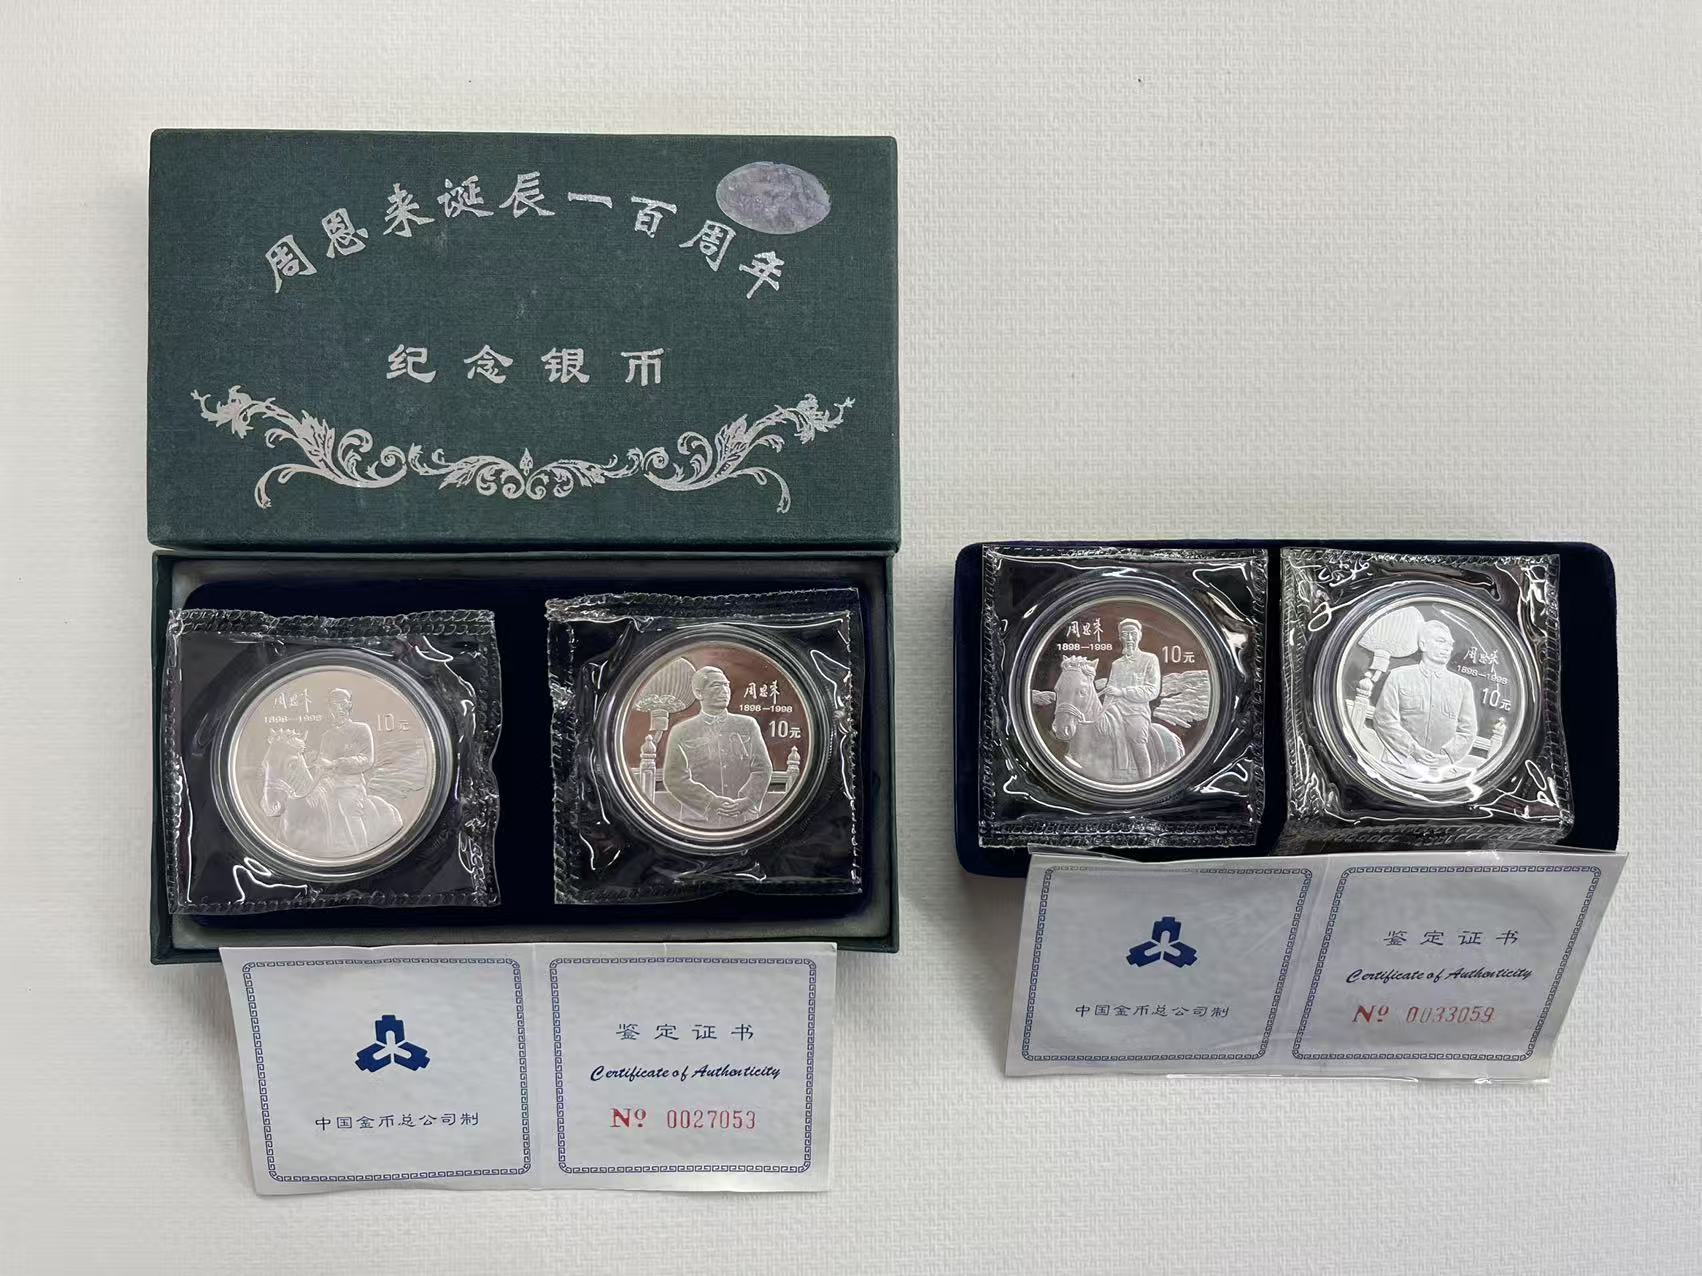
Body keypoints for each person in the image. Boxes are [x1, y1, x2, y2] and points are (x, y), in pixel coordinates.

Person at [662, 665, 773, 828]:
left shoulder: (747, 725)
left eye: (726, 685)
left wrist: (747, 801)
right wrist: (711, 801)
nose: (724, 691)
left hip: (743, 820)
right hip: (697, 822)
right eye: (716, 685)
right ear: (698, 693)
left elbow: (763, 768)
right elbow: (674, 778)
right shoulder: (681, 731)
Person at [1372, 619, 1478, 773]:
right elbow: (1384, 719)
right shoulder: (1398, 676)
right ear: (1423, 644)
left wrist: (1447, 757)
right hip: (1398, 764)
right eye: (1440, 641)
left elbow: (1468, 730)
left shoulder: (1462, 686)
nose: (1447, 648)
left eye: (1450, 644)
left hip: (1441, 772)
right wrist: (1412, 749)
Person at [312, 687, 403, 854]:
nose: (338, 708)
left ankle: (362, 851)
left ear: (348, 706)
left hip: (349, 785)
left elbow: (367, 760)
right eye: (334, 705)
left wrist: (337, 763)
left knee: (349, 809)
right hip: (327, 784)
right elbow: (321, 761)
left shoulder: (361, 729)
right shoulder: (327, 736)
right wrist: (316, 767)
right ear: (329, 708)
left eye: (341, 704)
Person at [1098, 618, 1161, 780]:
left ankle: (1145, 781)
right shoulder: (1116, 664)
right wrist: (1101, 712)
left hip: (1136, 712)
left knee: (1137, 739)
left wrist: (1122, 692)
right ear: (1120, 638)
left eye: (1133, 634)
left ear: (1140, 635)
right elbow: (1111, 692)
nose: (1129, 638)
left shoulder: (1150, 659)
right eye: (1125, 634)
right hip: (1114, 711)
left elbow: (1152, 690)